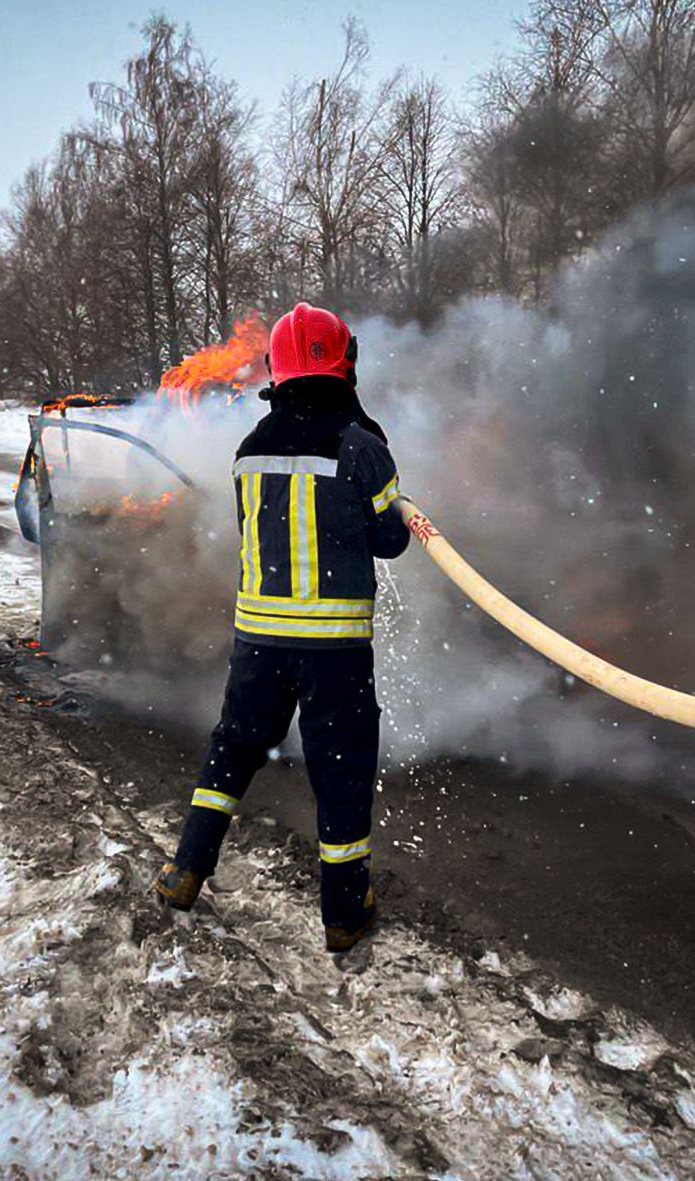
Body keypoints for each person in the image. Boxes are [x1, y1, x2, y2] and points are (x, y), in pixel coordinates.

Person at [152, 303, 409, 953]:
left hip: (259, 642)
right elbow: (389, 541)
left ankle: (187, 866)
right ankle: (344, 912)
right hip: (333, 648)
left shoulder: (249, 449)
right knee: (341, 770)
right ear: (341, 365)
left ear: (280, 371)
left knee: (233, 748)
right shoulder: (361, 448)